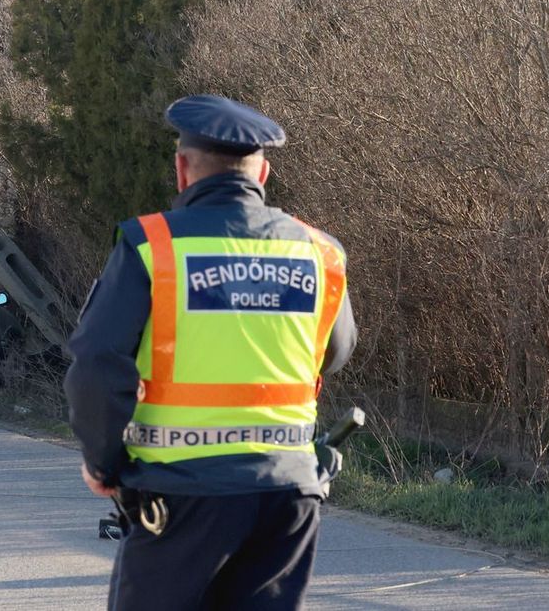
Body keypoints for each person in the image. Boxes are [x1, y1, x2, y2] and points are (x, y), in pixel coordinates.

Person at [65, 94, 357, 610]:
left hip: (182, 494)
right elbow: (334, 352)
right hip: (288, 492)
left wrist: (104, 463)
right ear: (262, 173)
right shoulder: (321, 252)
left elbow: (96, 361)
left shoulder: (152, 244)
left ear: (182, 169)